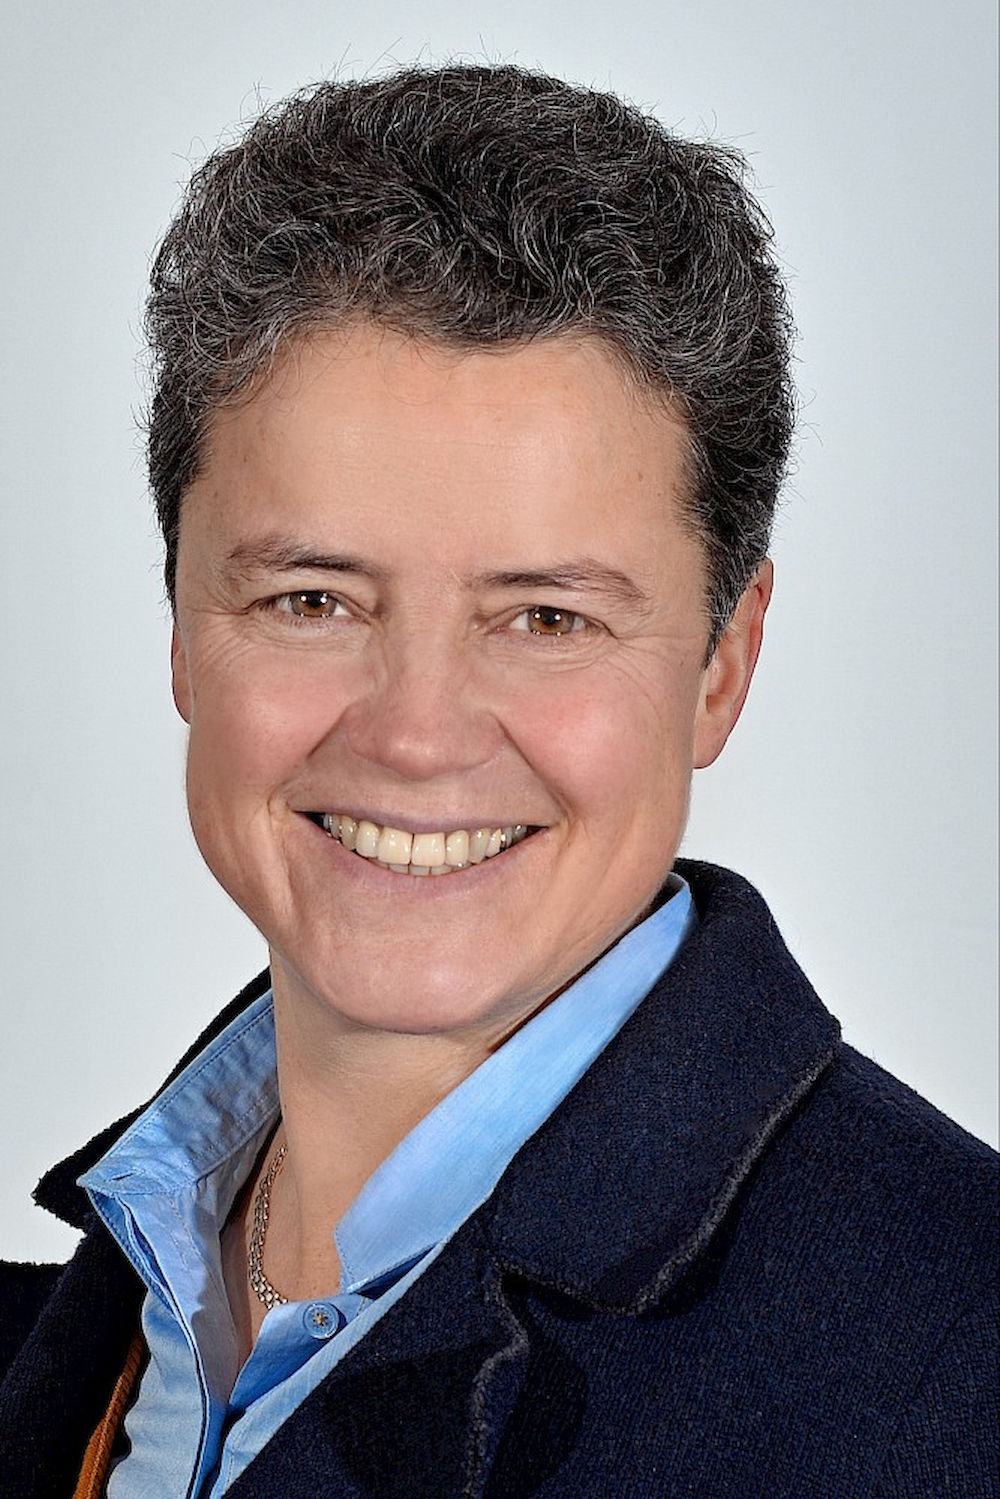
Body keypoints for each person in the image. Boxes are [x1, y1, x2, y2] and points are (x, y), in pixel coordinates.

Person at [0, 63, 995, 1499]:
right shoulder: (77, 1334)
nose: (416, 734)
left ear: (723, 664)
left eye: (545, 618)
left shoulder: (964, 1373)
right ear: (179, 629)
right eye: (311, 600)